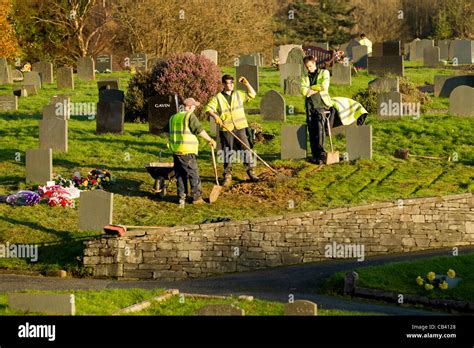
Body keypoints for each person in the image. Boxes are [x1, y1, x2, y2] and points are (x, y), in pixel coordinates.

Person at [301, 55, 368, 164]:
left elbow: (324, 86)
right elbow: (303, 91)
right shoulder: (304, 77)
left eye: (310, 66)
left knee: (320, 129)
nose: (309, 69)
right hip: (309, 106)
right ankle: (315, 155)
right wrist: (313, 89)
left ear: (314, 64)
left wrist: (311, 89)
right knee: (311, 130)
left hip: (321, 104)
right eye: (307, 67)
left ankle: (321, 154)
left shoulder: (324, 73)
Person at [205, 74, 259, 186]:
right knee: (226, 152)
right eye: (228, 83)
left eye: (232, 83)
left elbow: (253, 94)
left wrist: (246, 84)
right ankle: (227, 175)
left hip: (240, 126)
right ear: (223, 84)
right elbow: (208, 109)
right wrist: (216, 117)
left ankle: (251, 172)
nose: (230, 85)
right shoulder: (218, 97)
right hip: (226, 128)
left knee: (245, 149)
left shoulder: (239, 94)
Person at [167, 98, 216, 205]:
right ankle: (196, 198)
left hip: (176, 151)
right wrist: (210, 139)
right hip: (187, 152)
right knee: (193, 174)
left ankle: (181, 197)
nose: (194, 108)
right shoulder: (189, 116)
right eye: (193, 106)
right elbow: (199, 130)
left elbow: (167, 132)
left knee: (180, 175)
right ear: (189, 107)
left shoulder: (173, 117)